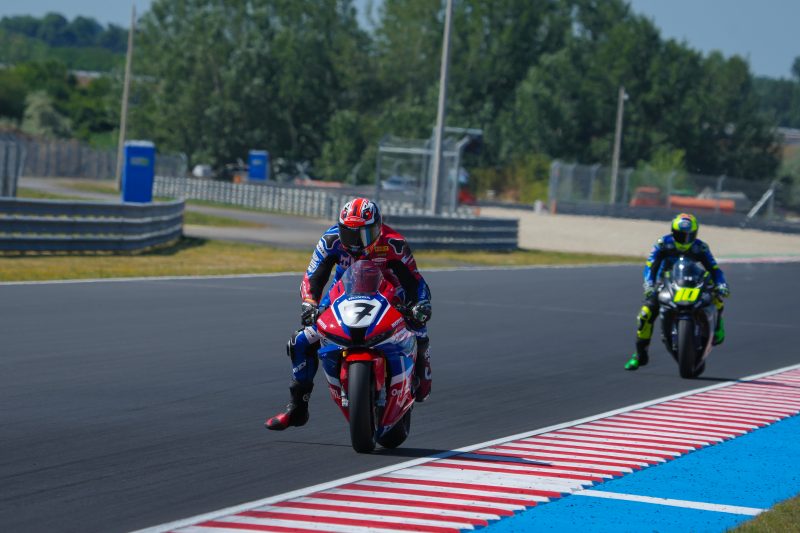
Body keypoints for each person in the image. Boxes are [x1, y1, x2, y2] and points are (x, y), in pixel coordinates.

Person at [266, 197, 433, 430]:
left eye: (363, 234)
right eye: (350, 234)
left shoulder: (394, 243)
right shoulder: (331, 240)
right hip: (343, 295)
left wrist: (421, 304)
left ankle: (421, 377)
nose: (355, 242)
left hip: (392, 297)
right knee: (300, 341)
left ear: (377, 228)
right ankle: (297, 407)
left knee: (419, 330)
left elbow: (415, 280)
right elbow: (313, 275)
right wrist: (309, 303)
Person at [624, 213, 730, 371]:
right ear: (673, 232)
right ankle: (640, 354)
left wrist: (721, 284)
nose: (684, 239)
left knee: (716, 295)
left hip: (692, 282)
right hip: (665, 282)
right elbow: (650, 266)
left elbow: (714, 270)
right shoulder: (663, 244)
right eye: (680, 235)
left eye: (689, 236)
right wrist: (649, 284)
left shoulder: (700, 247)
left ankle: (719, 324)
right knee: (645, 315)